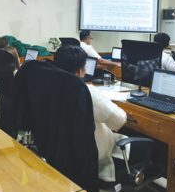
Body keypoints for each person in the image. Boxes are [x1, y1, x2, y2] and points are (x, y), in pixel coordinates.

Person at [53, 45, 129, 182]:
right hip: (90, 152)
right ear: (81, 70)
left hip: (59, 150)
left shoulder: (50, 86)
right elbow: (118, 121)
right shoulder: (85, 91)